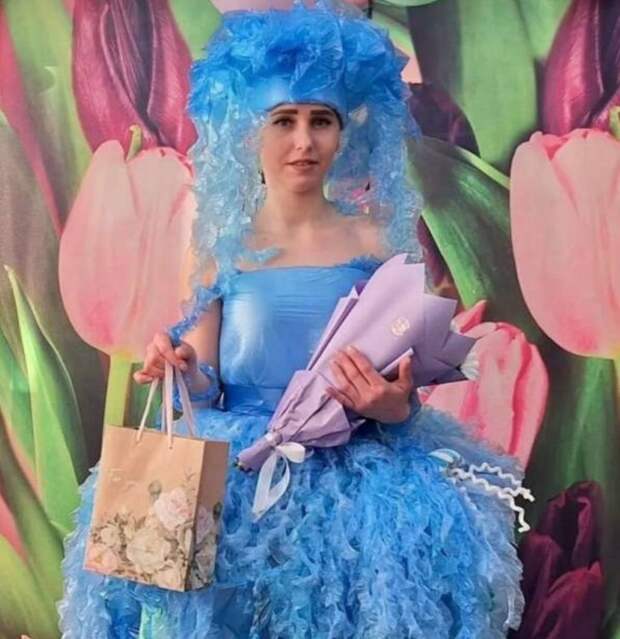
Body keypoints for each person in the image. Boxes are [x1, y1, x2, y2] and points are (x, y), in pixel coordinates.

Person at [59, 1, 524, 637]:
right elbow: (205, 385)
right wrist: (178, 367)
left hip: (358, 484)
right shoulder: (220, 247)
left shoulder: (374, 243)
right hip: (242, 478)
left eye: (321, 120)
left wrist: (392, 406)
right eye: (284, 120)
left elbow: (403, 385)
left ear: (344, 132)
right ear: (253, 130)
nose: (304, 141)